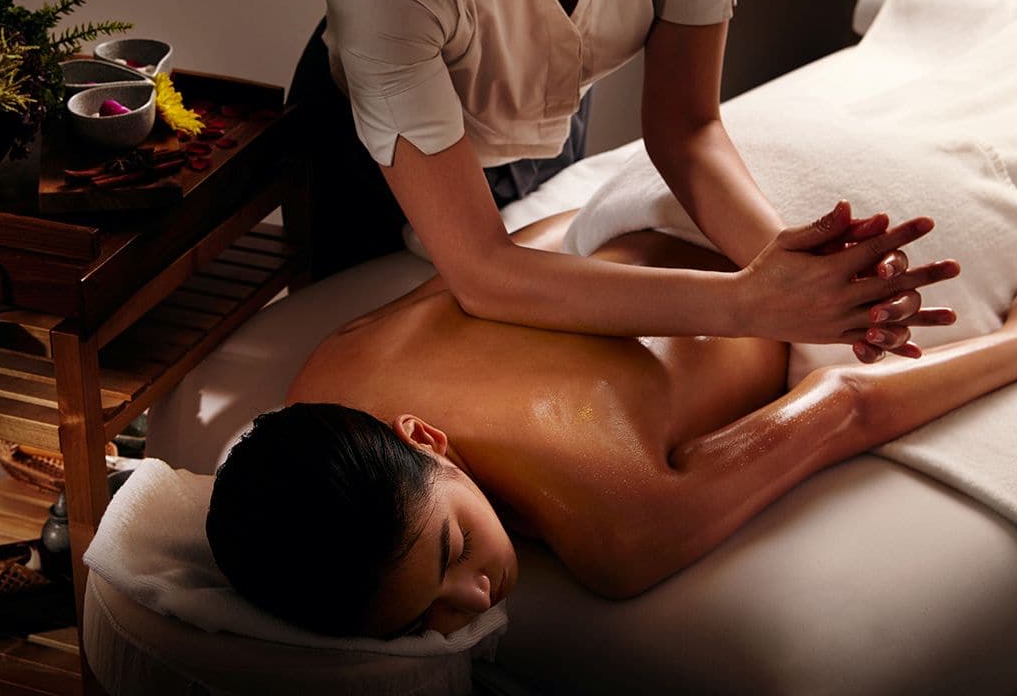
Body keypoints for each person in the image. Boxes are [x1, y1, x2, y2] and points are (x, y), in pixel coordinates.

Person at [204, 212, 1010, 640]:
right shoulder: (322, 389)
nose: (475, 597)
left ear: (426, 439)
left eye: (453, 548)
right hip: (626, 204)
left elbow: (846, 402)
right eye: (420, 620)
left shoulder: (615, 528)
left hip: (785, 238)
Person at [289, 0, 938, 362]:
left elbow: (686, 130)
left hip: (545, 123)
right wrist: (747, 304)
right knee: (353, 365)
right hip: (367, 164)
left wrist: (798, 271)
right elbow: (482, 271)